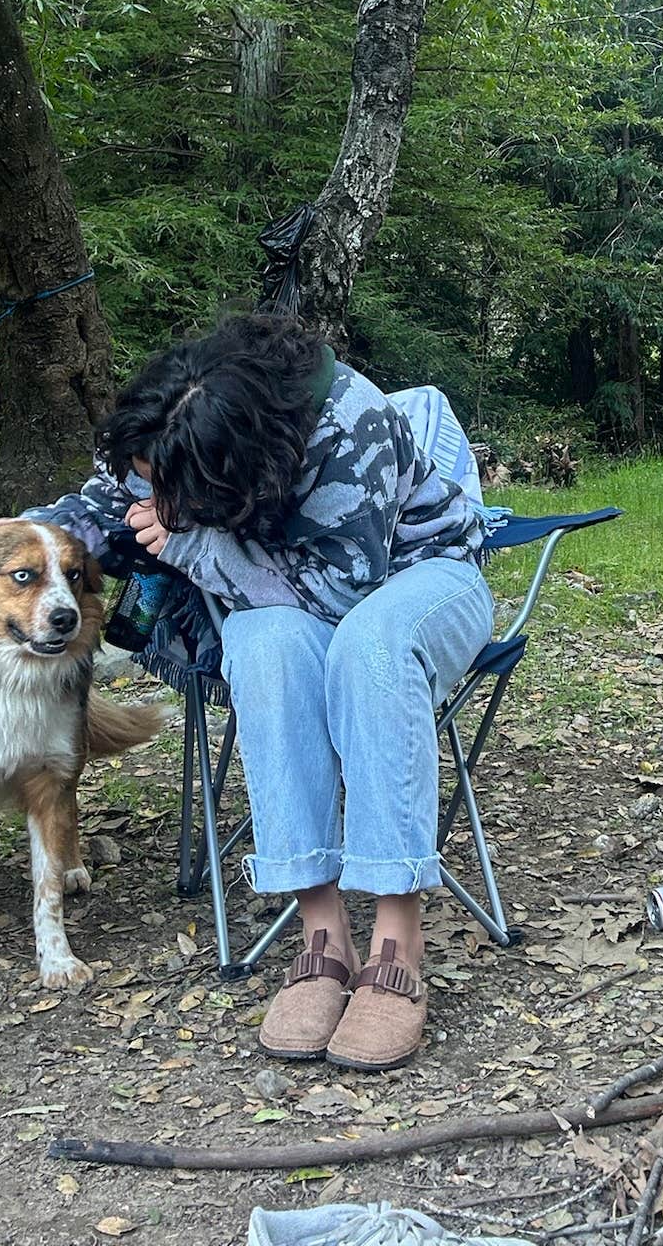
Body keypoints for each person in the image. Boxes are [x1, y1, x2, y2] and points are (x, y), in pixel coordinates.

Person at [25, 315, 492, 1072]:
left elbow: (343, 592)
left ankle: (397, 940)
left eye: (171, 491)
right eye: (150, 480)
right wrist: (6, 541)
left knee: (369, 647)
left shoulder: (350, 432)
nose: (153, 498)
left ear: (240, 471)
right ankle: (322, 936)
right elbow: (104, 506)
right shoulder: (178, 417)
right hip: (287, 587)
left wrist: (192, 546)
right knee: (263, 644)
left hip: (422, 575)